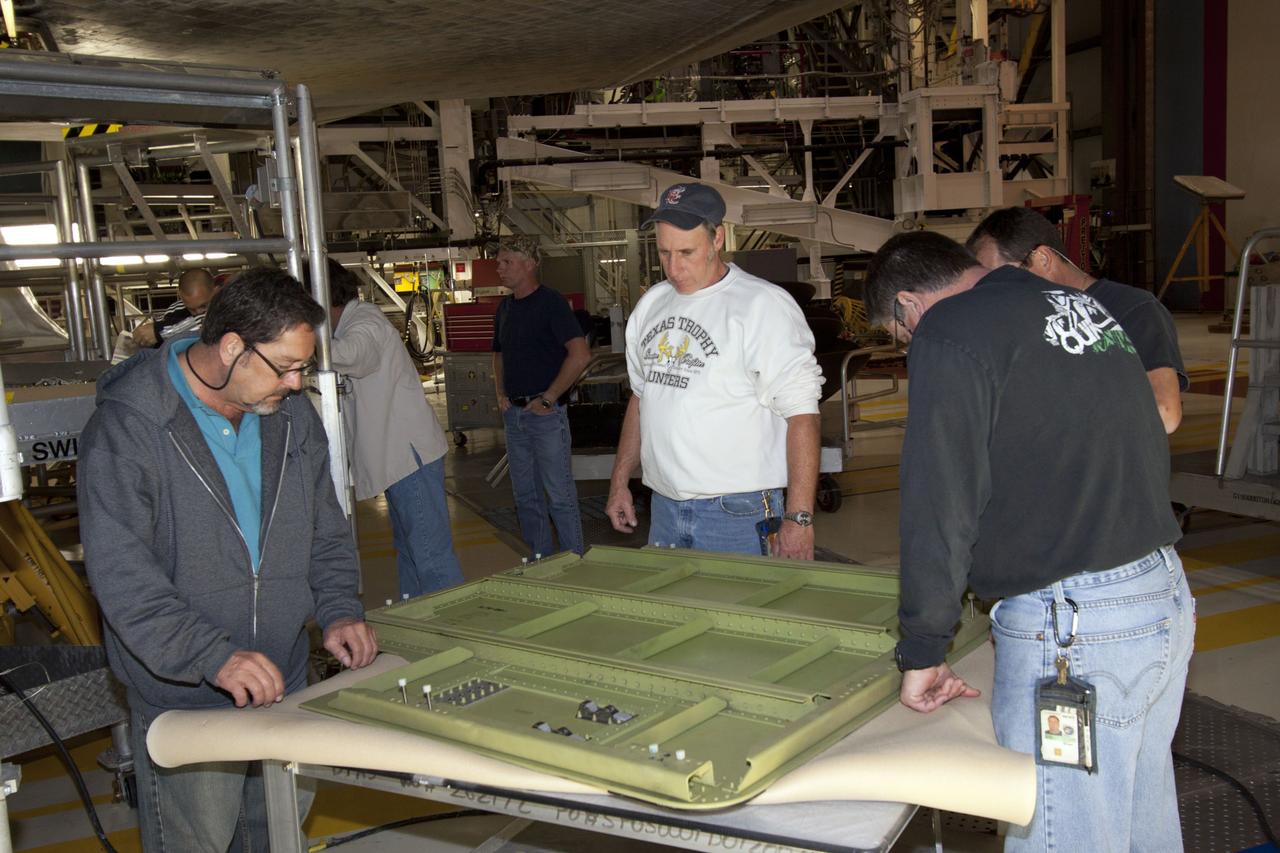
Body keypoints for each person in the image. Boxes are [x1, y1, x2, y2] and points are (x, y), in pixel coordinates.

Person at [863, 231, 1192, 851]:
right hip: (1159, 594)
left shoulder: (950, 328)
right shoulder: (1077, 307)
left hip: (1077, 628)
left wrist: (925, 648)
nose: (909, 345)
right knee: (1139, 822)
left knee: (1060, 831)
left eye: (899, 335)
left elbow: (940, 499)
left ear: (908, 304)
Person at [78, 268, 378, 852]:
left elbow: (327, 529)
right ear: (233, 347)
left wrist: (339, 608)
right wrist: (211, 656)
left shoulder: (290, 417)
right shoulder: (130, 429)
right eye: (285, 367)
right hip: (188, 696)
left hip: (283, 679)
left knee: (278, 838)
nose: (296, 383)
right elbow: (123, 579)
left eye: (302, 368)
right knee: (199, 842)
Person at [606, 183, 823, 558]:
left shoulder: (762, 306)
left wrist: (799, 517)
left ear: (717, 238)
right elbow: (641, 400)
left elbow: (803, 416)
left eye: (686, 252)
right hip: (665, 508)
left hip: (738, 513)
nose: (674, 268)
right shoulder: (652, 305)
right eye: (664, 252)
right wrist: (619, 480)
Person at [966, 207, 1187, 432]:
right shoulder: (1022, 323)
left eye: (1004, 278)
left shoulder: (1133, 309)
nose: (999, 295)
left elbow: (1164, 412)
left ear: (1043, 259)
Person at [324, 258, 464, 597]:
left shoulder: (366, 320)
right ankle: (417, 618)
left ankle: (451, 625)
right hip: (397, 461)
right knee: (412, 552)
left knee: (430, 556)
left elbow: (355, 356)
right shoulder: (350, 325)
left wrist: (300, 341)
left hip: (407, 460)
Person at [491, 235, 590, 556]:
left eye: (507, 262)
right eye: (499, 262)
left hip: (545, 416)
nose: (499, 268)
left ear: (530, 265)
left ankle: (575, 561)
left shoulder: (551, 303)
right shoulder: (505, 308)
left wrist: (549, 398)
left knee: (559, 496)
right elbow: (498, 354)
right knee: (526, 498)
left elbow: (579, 355)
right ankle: (540, 561)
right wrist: (501, 393)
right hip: (515, 416)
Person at [133, 267, 218, 347]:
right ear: (180, 295)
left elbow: (206, 325)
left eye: (203, 305)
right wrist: (144, 339)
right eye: (191, 308)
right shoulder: (174, 309)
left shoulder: (222, 305)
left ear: (215, 290)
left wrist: (159, 332)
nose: (198, 312)